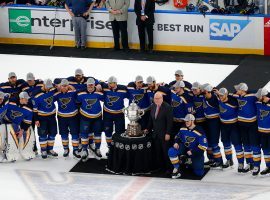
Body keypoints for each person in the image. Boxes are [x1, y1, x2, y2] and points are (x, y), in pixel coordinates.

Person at [233, 83, 261, 175]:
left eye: (238, 90)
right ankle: (250, 163)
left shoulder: (252, 96)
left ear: (243, 90)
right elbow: (230, 94)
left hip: (252, 125)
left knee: (254, 145)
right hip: (242, 125)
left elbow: (261, 92)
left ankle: (256, 165)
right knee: (246, 145)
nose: (236, 91)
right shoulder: (237, 96)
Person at [168, 114, 208, 178]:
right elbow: (178, 136)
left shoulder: (200, 131)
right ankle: (177, 168)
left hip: (195, 151)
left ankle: (186, 161)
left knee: (199, 173)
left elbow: (204, 146)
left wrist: (193, 152)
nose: (186, 122)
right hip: (185, 148)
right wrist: (176, 142)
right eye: (185, 121)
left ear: (192, 121)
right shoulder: (183, 127)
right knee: (171, 151)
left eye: (188, 121)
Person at [217, 88, 245, 172]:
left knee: (237, 144)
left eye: (222, 95)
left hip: (234, 125)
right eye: (219, 95)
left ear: (226, 94)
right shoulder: (218, 99)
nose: (220, 97)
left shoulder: (234, 102)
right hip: (223, 125)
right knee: (225, 143)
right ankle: (229, 160)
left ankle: (241, 163)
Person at [145, 92, 173, 173]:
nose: (156, 100)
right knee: (158, 152)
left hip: (164, 134)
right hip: (156, 134)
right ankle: (160, 167)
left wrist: (168, 133)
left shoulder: (167, 107)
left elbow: (170, 122)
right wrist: (147, 128)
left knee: (165, 152)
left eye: (158, 98)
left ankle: (169, 168)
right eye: (155, 98)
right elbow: (151, 120)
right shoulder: (153, 106)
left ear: (162, 98)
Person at [77, 78, 104, 161]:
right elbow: (77, 102)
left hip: (97, 117)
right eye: (89, 85)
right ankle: (84, 150)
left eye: (92, 85)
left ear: (94, 85)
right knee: (84, 134)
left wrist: (101, 84)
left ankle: (97, 149)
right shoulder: (81, 93)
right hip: (85, 117)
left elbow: (104, 99)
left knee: (97, 134)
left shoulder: (99, 92)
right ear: (86, 85)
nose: (90, 86)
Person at [53, 79, 81, 158]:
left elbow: (82, 90)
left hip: (73, 117)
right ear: (60, 86)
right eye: (62, 86)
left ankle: (75, 150)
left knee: (75, 133)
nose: (64, 87)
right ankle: (66, 149)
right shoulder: (57, 94)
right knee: (64, 134)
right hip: (62, 117)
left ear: (68, 86)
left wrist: (72, 88)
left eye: (66, 86)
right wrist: (55, 88)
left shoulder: (73, 93)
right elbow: (50, 98)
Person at [32, 79, 58, 159]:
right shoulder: (36, 95)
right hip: (41, 117)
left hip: (52, 116)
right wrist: (36, 119)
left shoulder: (52, 89)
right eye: (47, 86)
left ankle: (50, 150)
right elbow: (35, 109)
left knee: (53, 133)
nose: (48, 88)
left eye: (50, 87)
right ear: (43, 85)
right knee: (42, 134)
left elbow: (59, 85)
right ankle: (43, 150)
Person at [202, 83, 224, 168]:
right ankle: (211, 159)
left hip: (214, 121)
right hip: (207, 120)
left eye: (205, 92)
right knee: (208, 142)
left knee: (214, 142)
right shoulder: (205, 97)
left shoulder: (214, 99)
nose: (203, 94)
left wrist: (217, 93)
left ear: (209, 92)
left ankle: (219, 160)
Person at [102, 76, 128, 148]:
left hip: (119, 113)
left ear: (115, 83)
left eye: (111, 83)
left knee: (120, 132)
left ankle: (118, 148)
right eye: (109, 83)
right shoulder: (105, 87)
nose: (109, 85)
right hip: (107, 113)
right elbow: (98, 83)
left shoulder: (123, 89)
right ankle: (109, 147)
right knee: (108, 131)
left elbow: (131, 94)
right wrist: (98, 84)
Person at [255, 88, 270, 175]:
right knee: (265, 149)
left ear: (263, 96)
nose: (257, 98)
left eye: (259, 97)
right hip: (261, 131)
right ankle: (268, 166)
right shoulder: (258, 103)